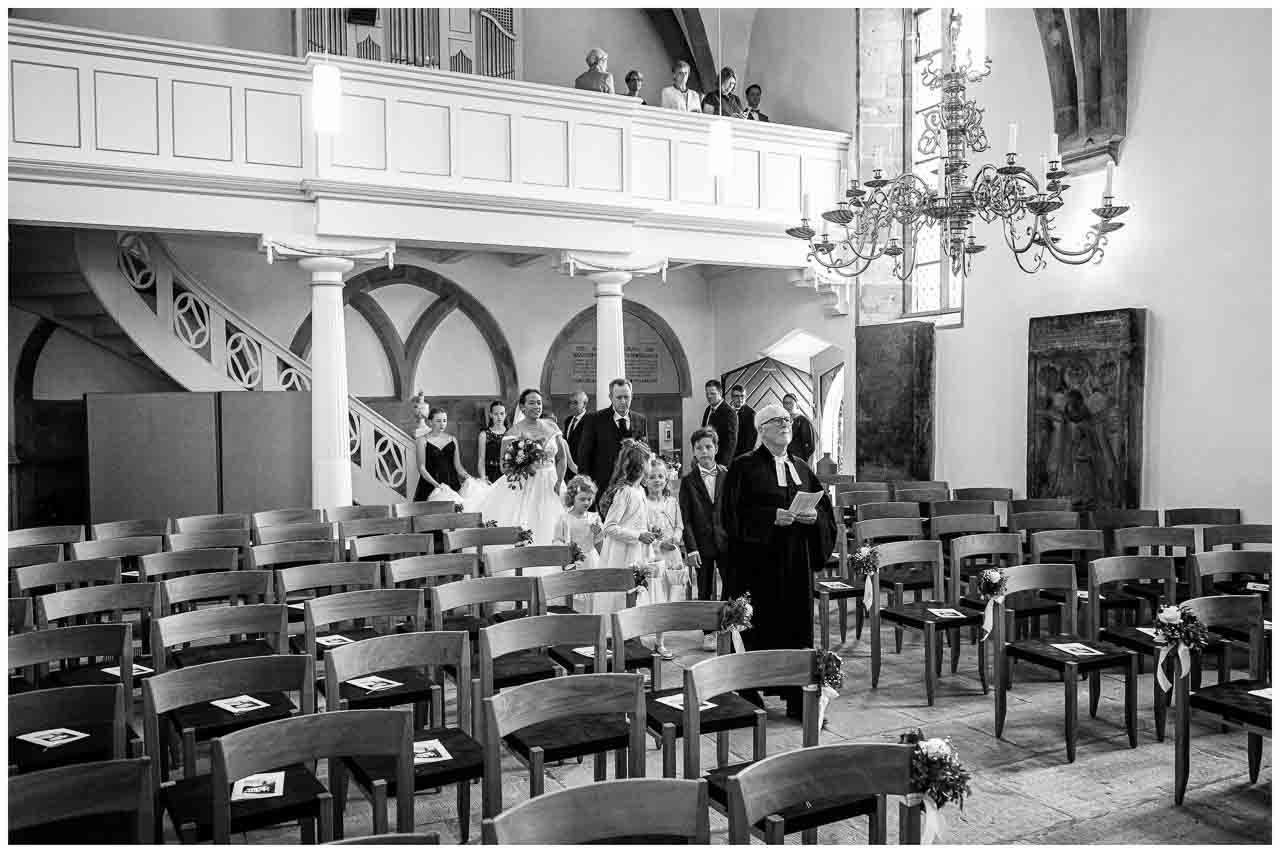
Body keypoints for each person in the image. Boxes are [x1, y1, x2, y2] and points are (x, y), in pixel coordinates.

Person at [722, 403, 836, 719]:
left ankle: (799, 699)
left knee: (795, 631)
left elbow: (825, 511)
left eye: (787, 420)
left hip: (795, 564)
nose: (786, 424)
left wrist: (815, 518)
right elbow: (731, 516)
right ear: (761, 430)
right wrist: (770, 518)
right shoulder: (743, 467)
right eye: (777, 421)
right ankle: (748, 693)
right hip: (756, 566)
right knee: (758, 629)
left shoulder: (801, 466)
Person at [473, 389, 568, 544]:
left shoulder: (552, 427)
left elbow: (562, 458)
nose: (537, 406)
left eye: (539, 402)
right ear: (522, 407)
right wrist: (523, 466)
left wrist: (559, 482)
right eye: (531, 403)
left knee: (553, 521)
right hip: (526, 483)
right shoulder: (513, 432)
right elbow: (504, 467)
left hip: (552, 482)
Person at [680, 427, 729, 651]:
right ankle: (708, 632)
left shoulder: (728, 474)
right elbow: (685, 519)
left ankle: (728, 627)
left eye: (708, 447)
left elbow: (733, 510)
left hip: (726, 541)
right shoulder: (688, 481)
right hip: (701, 544)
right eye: (699, 448)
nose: (704, 451)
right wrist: (691, 549)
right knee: (705, 589)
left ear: (716, 448)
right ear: (694, 452)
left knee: (730, 585)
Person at [595, 439, 656, 615]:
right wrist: (638, 536)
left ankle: (632, 633)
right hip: (622, 553)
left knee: (636, 591)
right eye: (649, 462)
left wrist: (649, 530)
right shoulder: (625, 492)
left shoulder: (641, 491)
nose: (651, 466)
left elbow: (638, 520)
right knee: (621, 595)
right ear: (641, 465)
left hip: (636, 551)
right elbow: (610, 527)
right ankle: (617, 630)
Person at [576, 377, 649, 505]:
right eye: (619, 397)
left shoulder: (640, 419)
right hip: (602, 488)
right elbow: (584, 456)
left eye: (626, 397)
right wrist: (586, 487)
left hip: (631, 489)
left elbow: (643, 454)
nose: (623, 401)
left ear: (632, 396)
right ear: (610, 397)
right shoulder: (594, 420)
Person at [644, 456, 686, 658]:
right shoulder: (643, 503)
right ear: (645, 480)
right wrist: (660, 543)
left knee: (669, 598)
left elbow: (679, 525)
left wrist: (676, 539)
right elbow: (642, 531)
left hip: (672, 555)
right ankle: (642, 639)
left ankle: (660, 641)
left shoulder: (672, 501)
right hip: (654, 555)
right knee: (655, 598)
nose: (657, 480)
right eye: (652, 477)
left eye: (661, 476)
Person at [413, 407, 475, 502]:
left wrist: (472, 479)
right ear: (430, 422)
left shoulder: (452, 439)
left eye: (444, 420)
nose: (442, 424)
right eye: (438, 421)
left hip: (452, 485)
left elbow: (458, 467)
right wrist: (438, 486)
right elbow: (421, 468)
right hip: (430, 486)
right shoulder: (422, 440)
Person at [553, 475, 604, 575]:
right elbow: (557, 539)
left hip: (591, 561)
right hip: (572, 561)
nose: (586, 502)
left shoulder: (594, 518)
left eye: (589, 499)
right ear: (572, 498)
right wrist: (566, 549)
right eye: (582, 499)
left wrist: (598, 532)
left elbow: (599, 543)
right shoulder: (564, 518)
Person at [700, 379, 738, 466]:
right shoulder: (707, 410)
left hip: (720, 463)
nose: (709, 396)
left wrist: (723, 465)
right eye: (707, 394)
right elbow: (703, 434)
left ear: (720, 393)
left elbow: (731, 442)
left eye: (712, 393)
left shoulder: (729, 413)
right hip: (706, 459)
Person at [561, 390, 590, 482]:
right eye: (570, 403)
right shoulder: (568, 421)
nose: (572, 406)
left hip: (582, 472)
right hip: (566, 470)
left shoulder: (592, 421)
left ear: (584, 404)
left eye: (575, 403)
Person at [477, 400, 508, 485]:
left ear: (505, 414)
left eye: (502, 414)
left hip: (508, 474)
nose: (499, 417)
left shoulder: (511, 433)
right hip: (490, 474)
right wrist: (483, 478)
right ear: (490, 415)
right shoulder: (484, 435)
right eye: (496, 414)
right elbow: (481, 460)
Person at [782, 393, 816, 465]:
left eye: (790, 403)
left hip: (799, 463)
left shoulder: (804, 422)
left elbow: (810, 448)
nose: (787, 406)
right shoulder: (781, 422)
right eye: (785, 403)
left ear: (796, 404)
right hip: (784, 462)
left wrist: (808, 469)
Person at [729, 384, 757, 456]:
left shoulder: (751, 414)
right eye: (737, 396)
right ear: (732, 397)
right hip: (728, 454)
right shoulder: (727, 412)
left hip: (742, 455)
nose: (740, 399)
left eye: (742, 396)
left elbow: (751, 440)